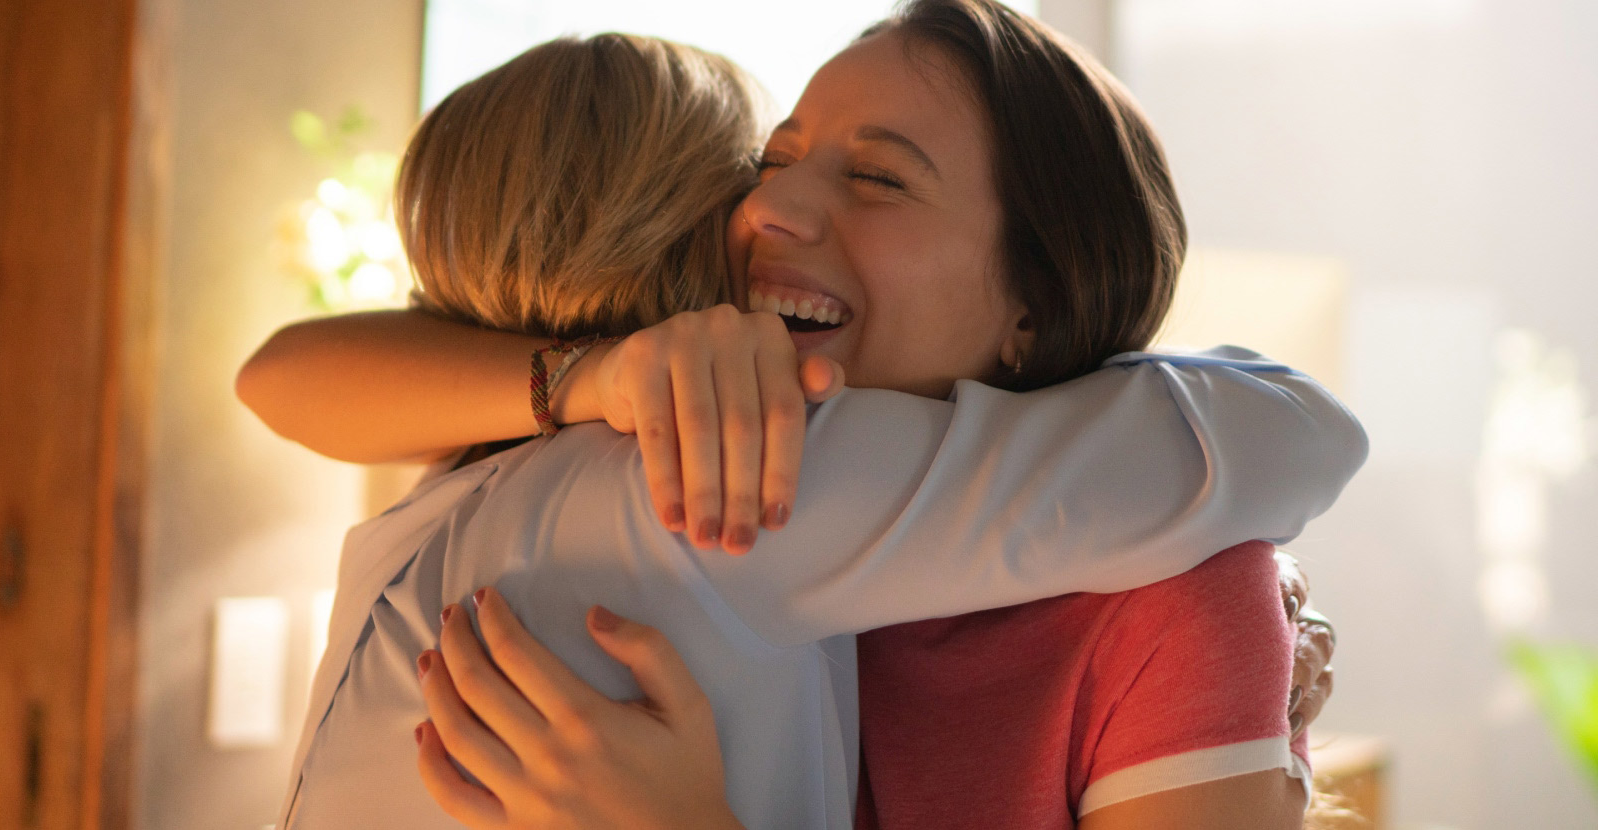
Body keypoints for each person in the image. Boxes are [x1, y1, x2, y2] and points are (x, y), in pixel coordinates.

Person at [245, 7, 1362, 830]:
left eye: (878, 180)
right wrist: (597, 376)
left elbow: (282, 376)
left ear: (1037, 298)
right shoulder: (735, 475)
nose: (771, 208)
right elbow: (1284, 435)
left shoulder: (1156, 587)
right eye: (769, 163)